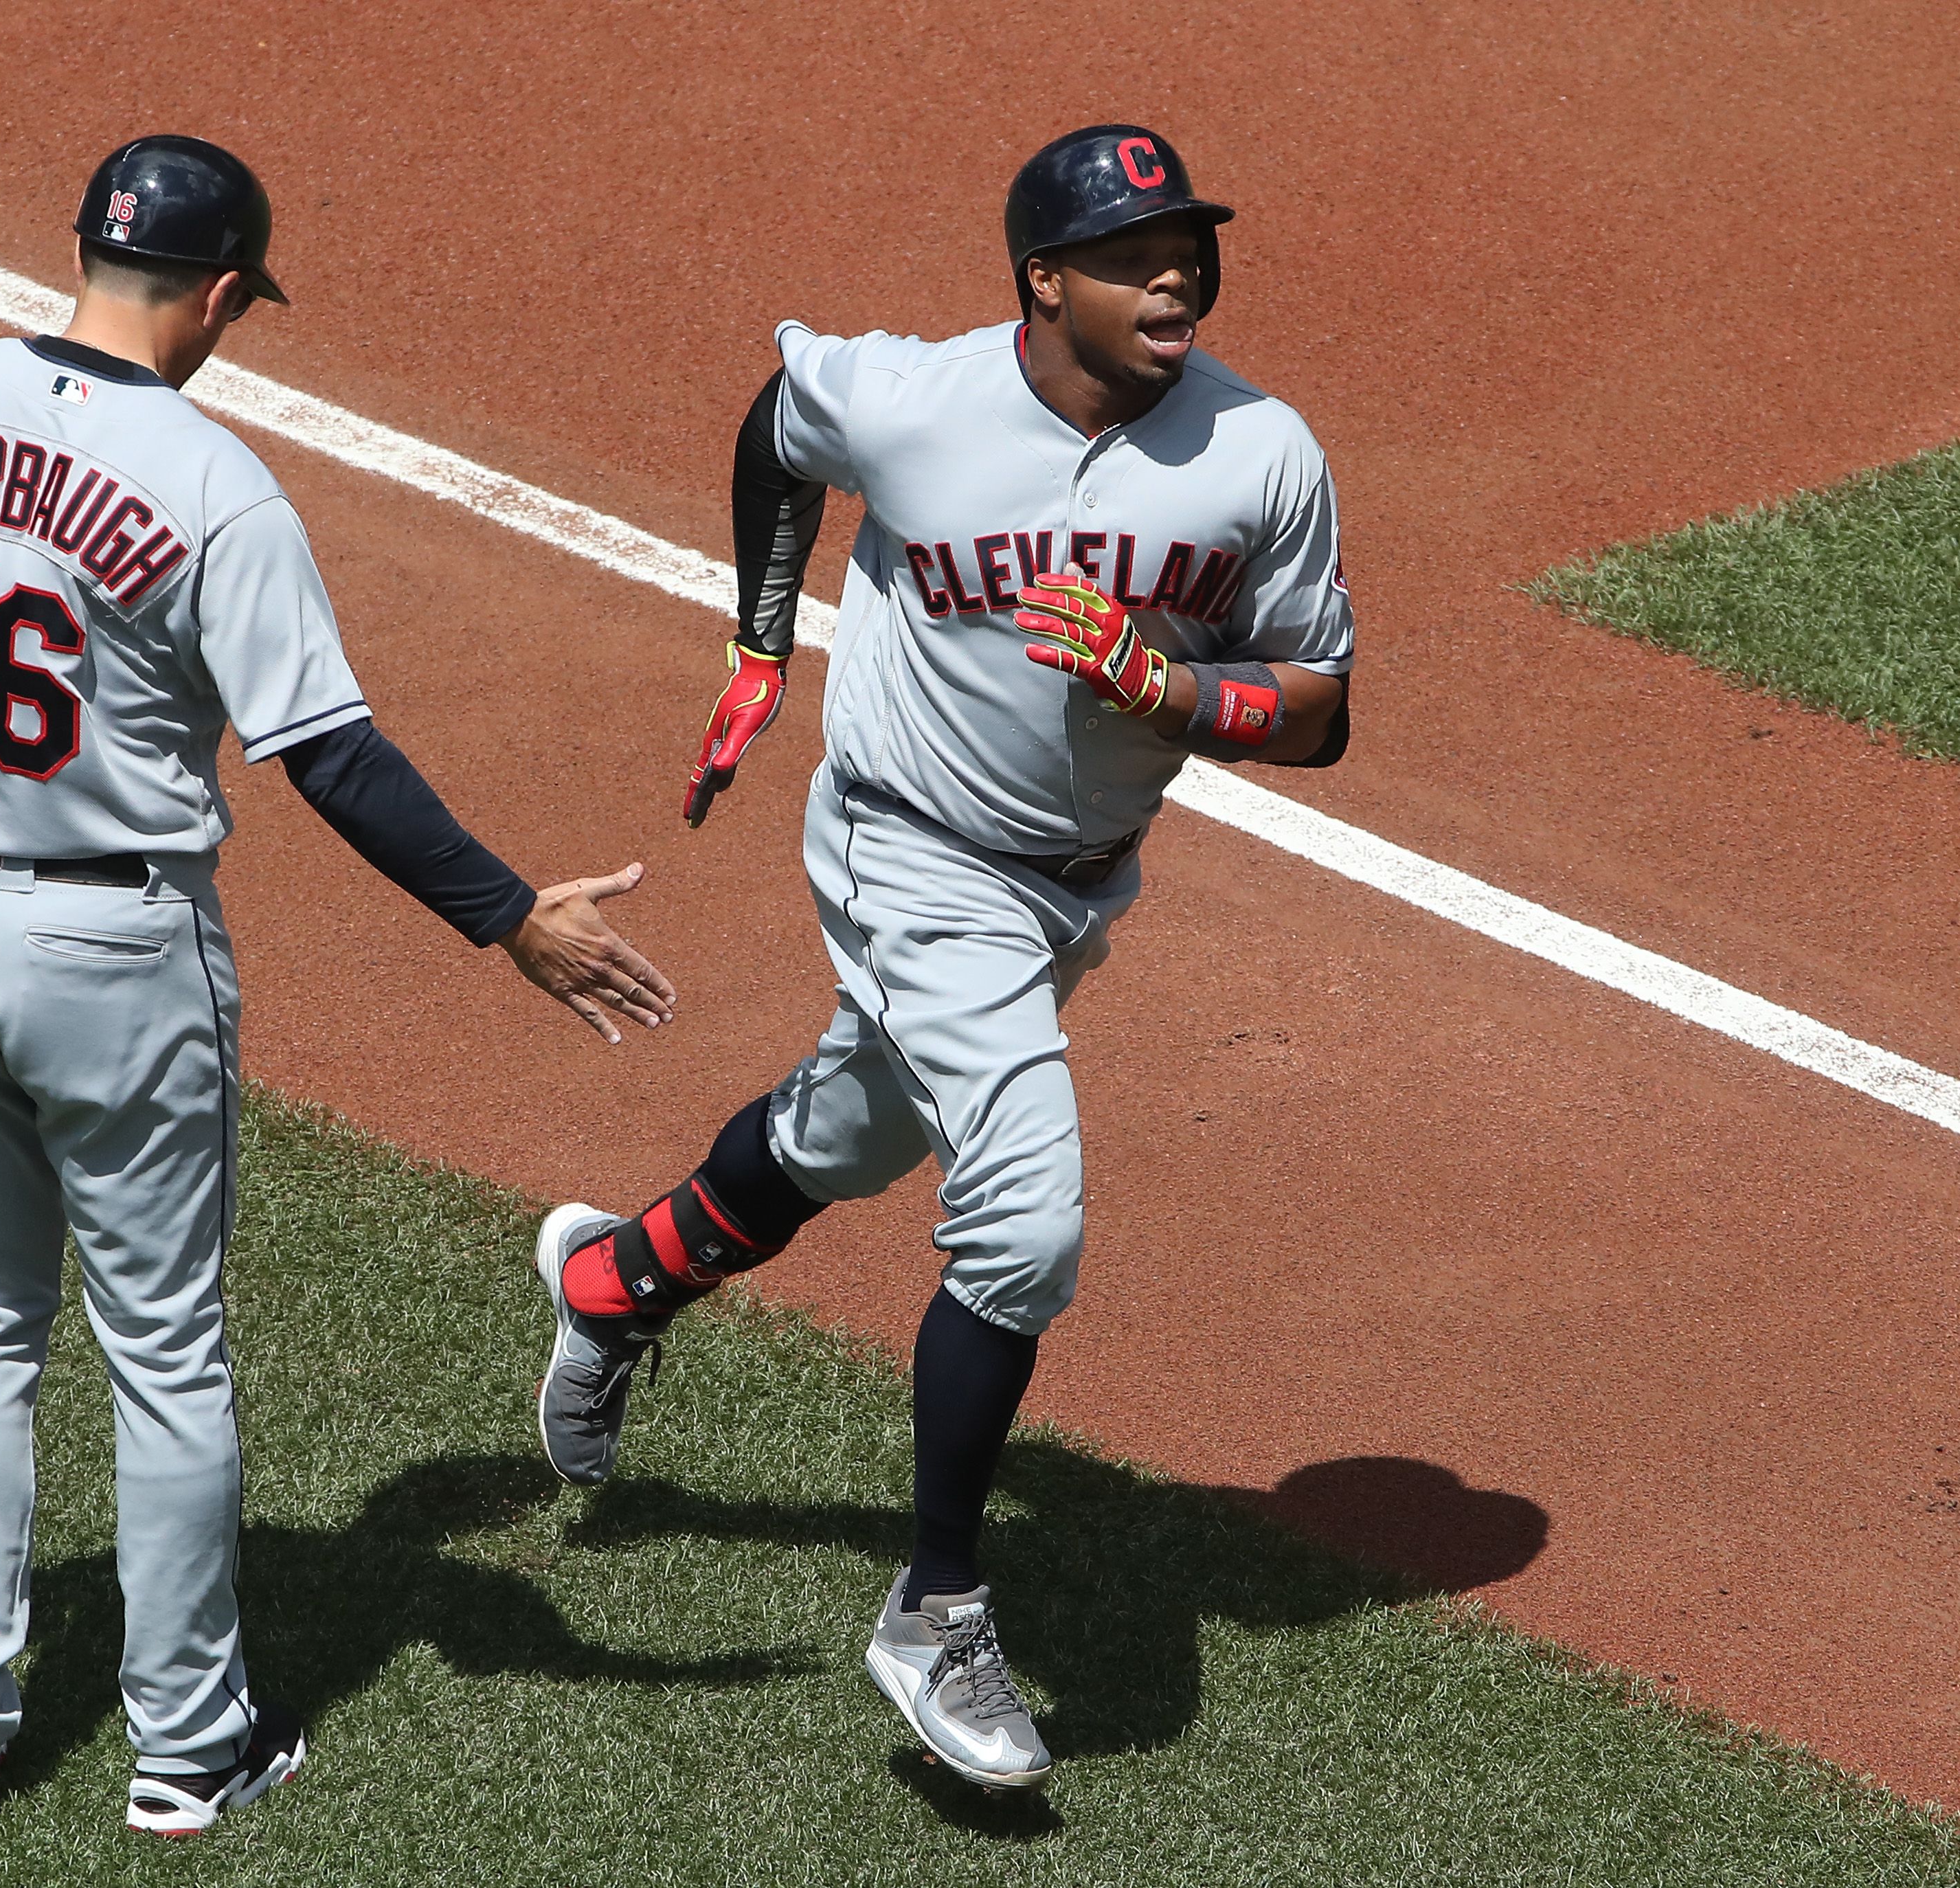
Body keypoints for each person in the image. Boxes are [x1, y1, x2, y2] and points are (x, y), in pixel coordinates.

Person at [0, 134, 675, 1836]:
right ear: (214, 292)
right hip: (114, 950)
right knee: (163, 1346)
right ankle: (189, 1748)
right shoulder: (207, 479)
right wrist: (508, 918)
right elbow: (329, 755)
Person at [528, 122, 1353, 1790]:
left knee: (855, 1131)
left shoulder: (1261, 454)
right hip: (906, 849)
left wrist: (1174, 692)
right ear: (1041, 282)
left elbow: (1319, 709)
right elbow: (779, 433)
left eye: (1189, 243)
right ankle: (937, 1606)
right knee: (1024, 1218)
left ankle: (615, 1281)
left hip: (1073, 888)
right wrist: (763, 640)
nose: (1174, 273)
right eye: (1131, 253)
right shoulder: (909, 399)